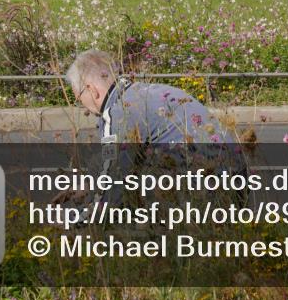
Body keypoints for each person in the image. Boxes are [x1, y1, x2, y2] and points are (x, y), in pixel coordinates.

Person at [63, 49, 243, 204]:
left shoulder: (118, 113)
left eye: (79, 99)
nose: (82, 106)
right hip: (236, 174)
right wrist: (91, 184)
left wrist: (76, 220)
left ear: (91, 90)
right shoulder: (148, 91)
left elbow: (114, 182)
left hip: (206, 188)